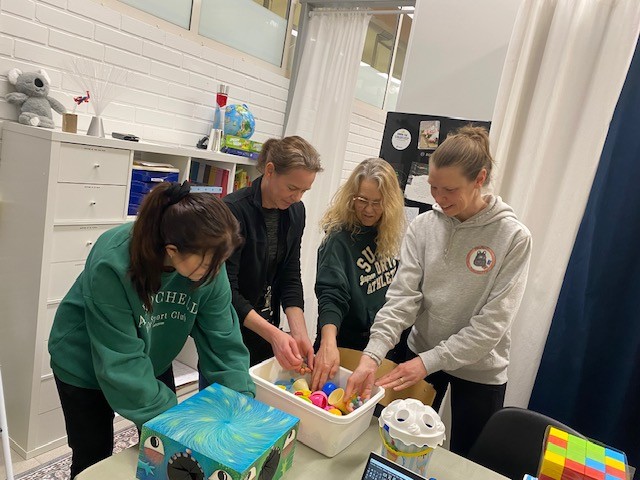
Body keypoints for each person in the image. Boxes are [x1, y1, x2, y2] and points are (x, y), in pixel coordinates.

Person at [346, 126, 532, 457]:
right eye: (433, 186)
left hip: (479, 369)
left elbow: (493, 324)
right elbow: (402, 300)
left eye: (450, 189)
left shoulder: (513, 237)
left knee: (469, 460)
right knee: (401, 445)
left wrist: (428, 361)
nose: (439, 198)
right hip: (421, 351)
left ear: (479, 179)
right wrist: (371, 356)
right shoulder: (423, 227)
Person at [48, 182, 254, 477]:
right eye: (209, 263)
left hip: (151, 352)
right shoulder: (114, 260)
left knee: (159, 455)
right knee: (94, 458)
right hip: (84, 362)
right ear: (172, 250)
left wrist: (239, 404)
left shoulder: (210, 266)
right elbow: (121, 360)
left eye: (220, 262)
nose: (215, 272)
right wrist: (176, 427)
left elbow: (224, 343)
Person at [223, 136, 322, 372]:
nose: (297, 197)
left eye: (304, 190)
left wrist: (299, 333)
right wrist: (275, 335)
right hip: (227, 332)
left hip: (265, 328)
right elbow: (225, 291)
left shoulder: (295, 211)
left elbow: (290, 274)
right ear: (270, 171)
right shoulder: (232, 210)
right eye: (292, 188)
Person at [310, 158, 408, 391]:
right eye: (362, 200)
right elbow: (331, 295)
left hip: (380, 342)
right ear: (351, 196)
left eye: (377, 202)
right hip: (344, 341)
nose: (369, 209)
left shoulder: (389, 232)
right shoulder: (339, 239)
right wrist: (328, 342)